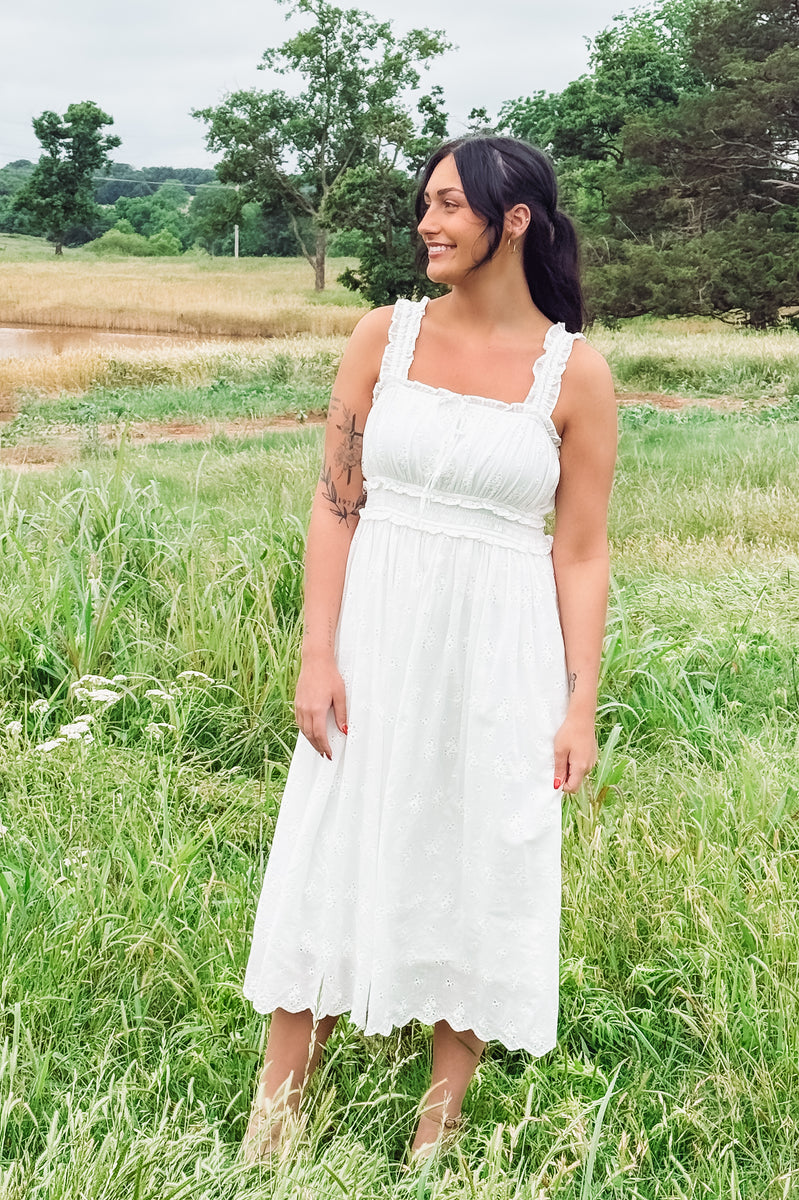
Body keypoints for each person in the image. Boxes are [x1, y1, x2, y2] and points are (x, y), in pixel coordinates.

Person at [241, 134, 617, 1163]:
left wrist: (580, 701)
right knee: (331, 839)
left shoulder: (574, 374)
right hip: (376, 640)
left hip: (503, 654)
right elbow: (335, 504)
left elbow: (580, 554)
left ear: (515, 220)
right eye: (426, 201)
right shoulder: (383, 338)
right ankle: (271, 1132)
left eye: (450, 203)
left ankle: (433, 1143)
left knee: (482, 855)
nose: (428, 220)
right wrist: (317, 653)